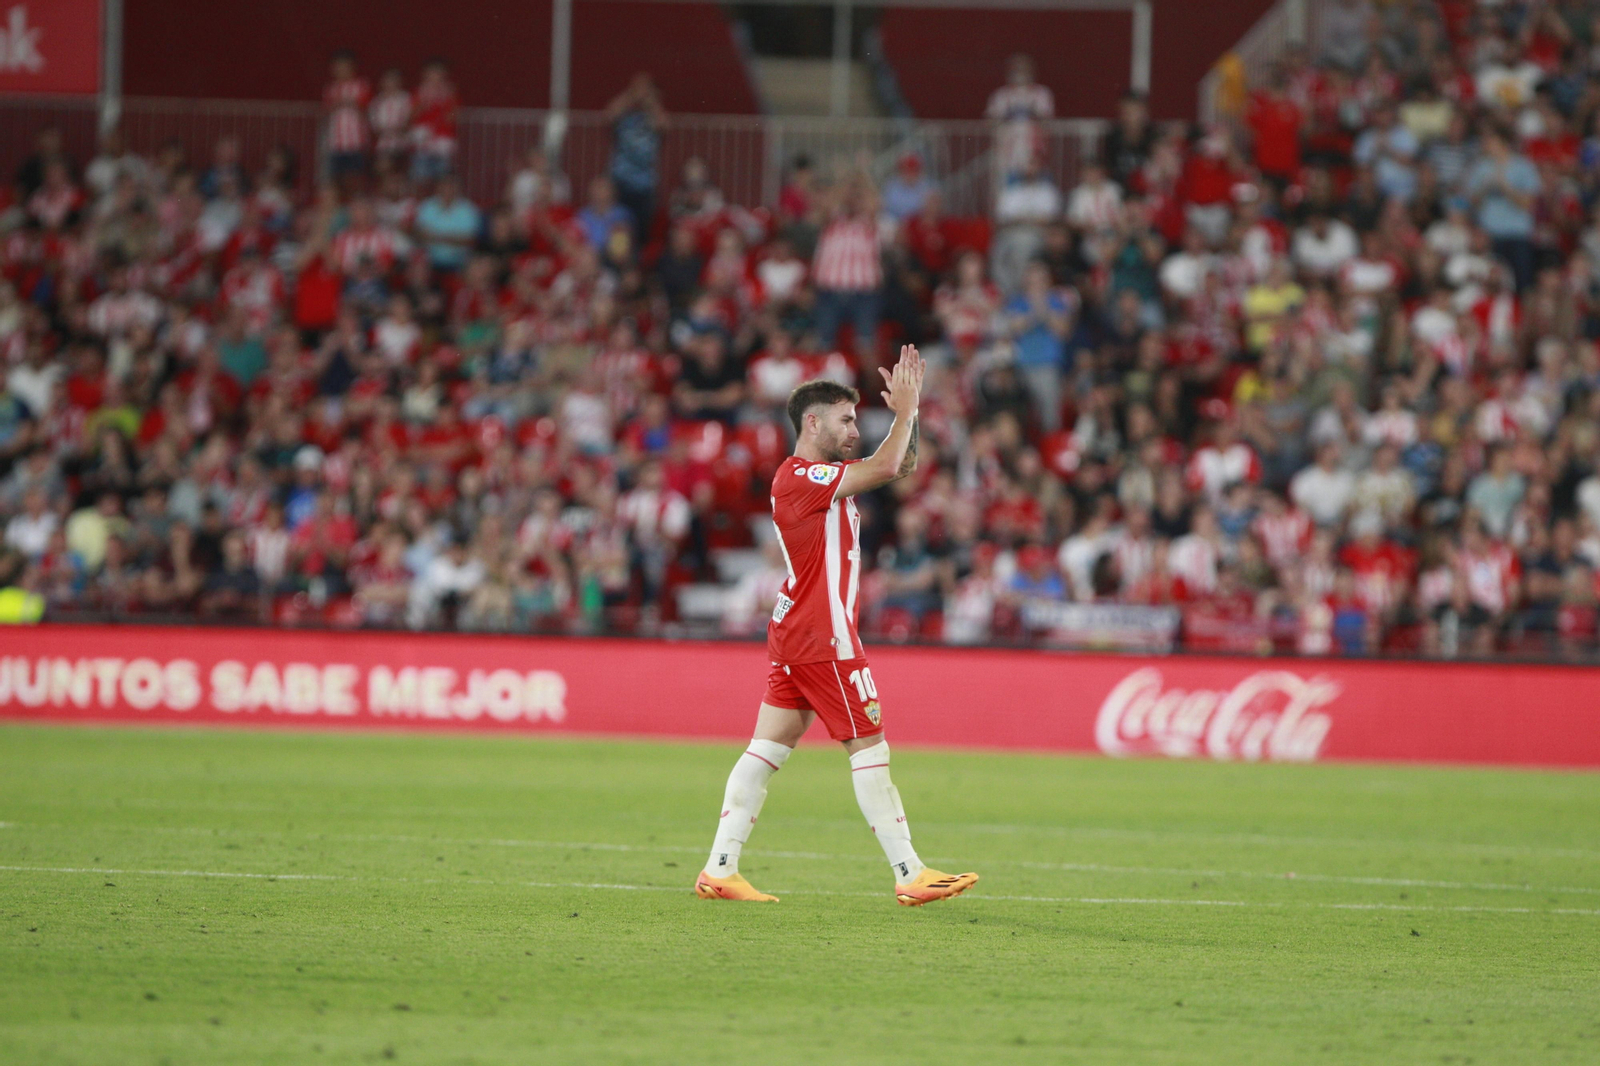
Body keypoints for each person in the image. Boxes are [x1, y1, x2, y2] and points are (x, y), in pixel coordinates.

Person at [696, 346, 979, 906]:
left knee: (765, 751)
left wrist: (910, 414)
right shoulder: (799, 477)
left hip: (798, 631)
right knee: (870, 747)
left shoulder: (819, 477)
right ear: (813, 422)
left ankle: (719, 869)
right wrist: (906, 411)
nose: (855, 428)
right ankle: (909, 872)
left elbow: (901, 464)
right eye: (846, 419)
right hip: (824, 635)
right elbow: (886, 466)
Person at [605, 73, 667, 248]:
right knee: (618, 226)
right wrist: (632, 94)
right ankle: (619, 259)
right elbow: (610, 113)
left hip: (644, 185)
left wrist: (649, 99)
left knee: (641, 231)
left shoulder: (652, 118)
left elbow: (663, 124)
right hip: (619, 181)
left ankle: (637, 267)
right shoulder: (626, 116)